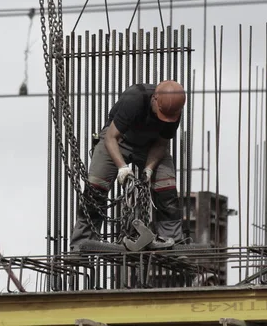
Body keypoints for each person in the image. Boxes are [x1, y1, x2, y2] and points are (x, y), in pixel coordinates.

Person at [70, 80, 186, 252]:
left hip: (150, 146)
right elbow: (111, 137)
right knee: (96, 189)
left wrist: (149, 169)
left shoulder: (173, 111)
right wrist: (123, 168)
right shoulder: (135, 99)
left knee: (167, 187)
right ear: (154, 99)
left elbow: (161, 144)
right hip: (118, 140)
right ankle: (81, 243)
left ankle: (173, 243)